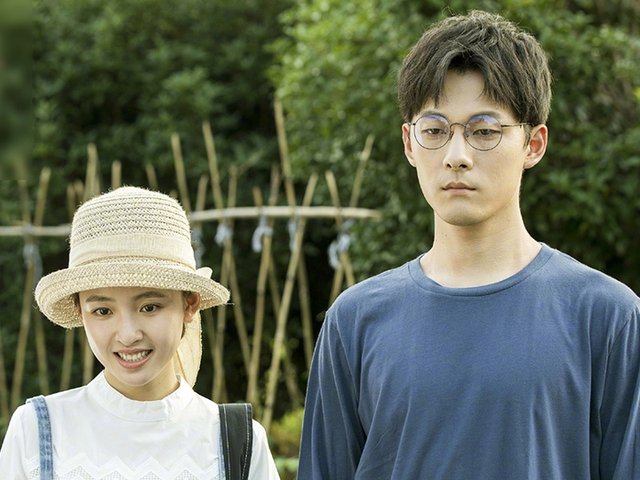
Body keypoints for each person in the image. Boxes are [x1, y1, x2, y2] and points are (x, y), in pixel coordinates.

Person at [298, 10, 640, 480]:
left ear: (534, 144)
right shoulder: (355, 321)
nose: (456, 156)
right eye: (435, 130)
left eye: (484, 131)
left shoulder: (607, 316)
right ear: (409, 143)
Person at [0, 186, 280, 479]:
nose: (128, 335)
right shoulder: (37, 431)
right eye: (103, 311)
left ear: (190, 304)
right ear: (80, 311)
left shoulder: (237, 442)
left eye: (149, 307)